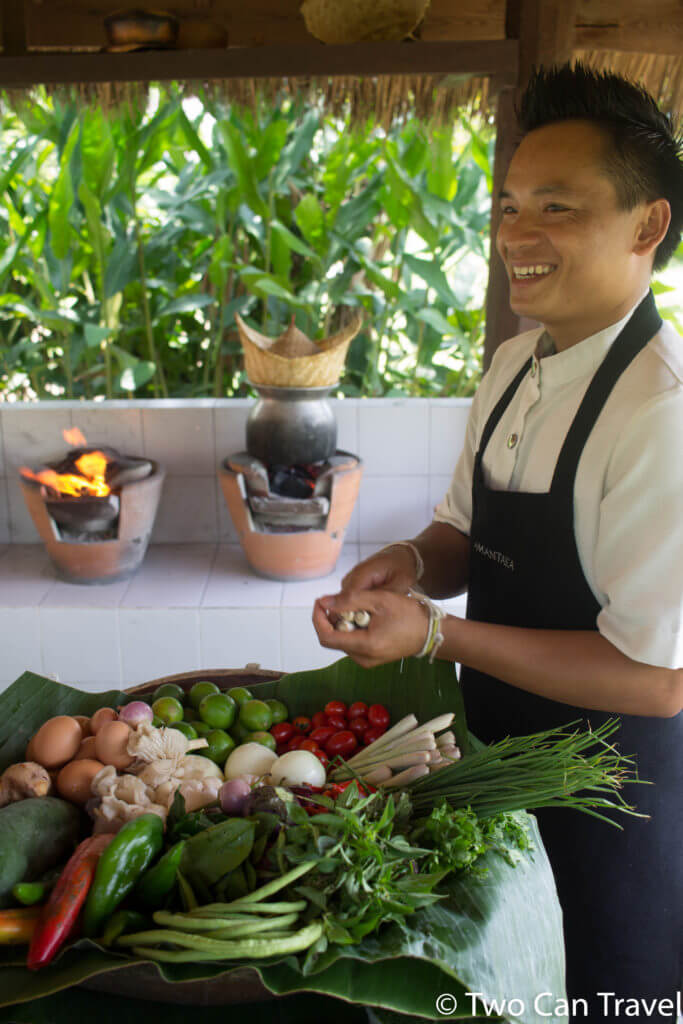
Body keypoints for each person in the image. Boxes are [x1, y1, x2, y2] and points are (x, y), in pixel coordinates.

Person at [312, 64, 683, 1020]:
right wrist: (411, 563)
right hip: (494, 763)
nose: (516, 235)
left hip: (613, 799)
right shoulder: (515, 366)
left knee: (607, 996)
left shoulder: (661, 412)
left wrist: (435, 636)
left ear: (647, 225)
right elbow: (464, 534)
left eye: (555, 208)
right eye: (510, 205)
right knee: (495, 990)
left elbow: (657, 676)